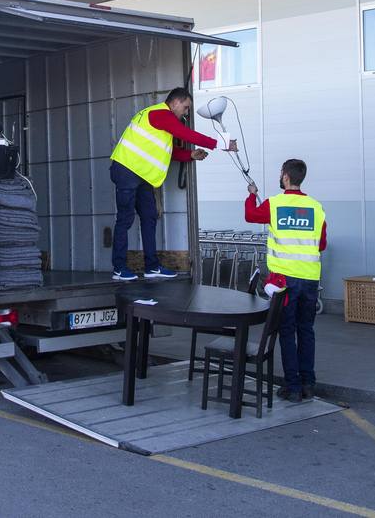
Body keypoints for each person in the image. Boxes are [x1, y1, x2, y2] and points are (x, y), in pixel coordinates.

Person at [110, 87, 236, 281]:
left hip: (140, 174)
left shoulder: (159, 119)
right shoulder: (160, 113)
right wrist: (221, 143)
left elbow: (169, 152)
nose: (186, 112)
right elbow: (185, 134)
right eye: (185, 108)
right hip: (127, 170)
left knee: (149, 216)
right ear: (175, 102)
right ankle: (119, 268)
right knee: (125, 219)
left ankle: (151, 267)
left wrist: (190, 155)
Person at [245, 159, 326, 402]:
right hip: (310, 279)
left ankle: (292, 386)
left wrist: (251, 195)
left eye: (281, 173)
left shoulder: (274, 204)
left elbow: (250, 215)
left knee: (287, 332)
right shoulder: (316, 207)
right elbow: (321, 244)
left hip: (285, 282)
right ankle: (308, 383)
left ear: (286, 177)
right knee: (307, 331)